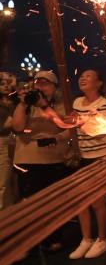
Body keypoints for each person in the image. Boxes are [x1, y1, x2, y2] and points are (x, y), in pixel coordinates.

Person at [12, 71, 73, 251]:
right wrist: (23, 104)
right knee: (29, 202)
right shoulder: (26, 104)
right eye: (37, 83)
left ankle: (53, 237)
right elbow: (18, 127)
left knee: (54, 201)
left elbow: (66, 127)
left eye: (45, 83)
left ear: (54, 87)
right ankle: (30, 240)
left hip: (54, 158)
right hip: (28, 157)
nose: (39, 87)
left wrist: (44, 105)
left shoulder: (62, 104)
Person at [68, 69, 106, 259]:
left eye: (88, 76)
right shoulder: (77, 102)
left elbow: (98, 128)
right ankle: (86, 239)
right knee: (81, 199)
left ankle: (102, 239)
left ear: (99, 83)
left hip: (101, 156)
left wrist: (79, 120)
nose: (82, 78)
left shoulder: (104, 104)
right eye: (81, 76)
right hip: (83, 155)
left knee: (97, 200)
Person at [0, 72, 17, 210]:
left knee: (6, 181)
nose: (6, 86)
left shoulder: (12, 101)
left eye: (7, 83)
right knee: (3, 182)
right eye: (2, 84)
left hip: (6, 141)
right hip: (3, 140)